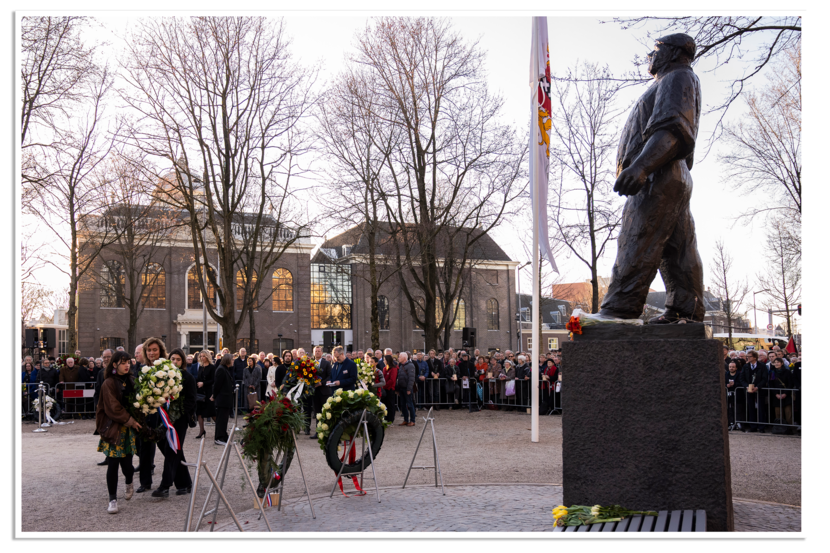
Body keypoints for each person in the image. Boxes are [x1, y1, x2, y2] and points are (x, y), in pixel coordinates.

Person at [596, 33, 704, 324]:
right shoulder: (672, 80)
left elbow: (673, 128)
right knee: (678, 248)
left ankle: (618, 311)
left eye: (656, 50)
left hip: (659, 173)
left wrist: (641, 167)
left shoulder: (677, 77)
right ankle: (685, 311)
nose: (650, 56)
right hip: (671, 174)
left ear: (674, 52)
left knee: (638, 236)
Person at [96, 350, 142, 514]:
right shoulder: (108, 383)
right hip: (113, 428)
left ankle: (129, 481)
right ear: (115, 364)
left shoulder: (132, 380)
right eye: (123, 363)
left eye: (128, 362)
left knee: (127, 465)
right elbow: (113, 407)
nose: (127, 365)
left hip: (128, 430)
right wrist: (130, 420)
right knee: (113, 464)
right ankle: (112, 499)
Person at [152, 348, 197, 498]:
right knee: (169, 447)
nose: (175, 362)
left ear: (182, 361)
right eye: (172, 359)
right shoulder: (164, 376)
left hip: (180, 419)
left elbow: (191, 399)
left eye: (178, 359)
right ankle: (185, 482)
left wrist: (179, 413)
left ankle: (165, 486)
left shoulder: (188, 377)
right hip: (165, 417)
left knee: (172, 449)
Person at [133, 337, 167, 493]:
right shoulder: (142, 368)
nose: (151, 353)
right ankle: (145, 482)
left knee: (167, 448)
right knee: (145, 449)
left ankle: (182, 479)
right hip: (146, 413)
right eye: (149, 350)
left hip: (162, 414)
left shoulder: (167, 367)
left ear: (160, 351)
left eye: (155, 350)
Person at [739, 351, 769, 433]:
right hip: (749, 390)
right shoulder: (746, 366)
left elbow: (764, 378)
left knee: (761, 409)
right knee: (751, 408)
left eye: (750, 356)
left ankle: (761, 426)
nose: (748, 358)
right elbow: (742, 378)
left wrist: (758, 387)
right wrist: (746, 386)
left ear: (755, 357)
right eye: (747, 356)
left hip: (760, 390)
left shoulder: (762, 366)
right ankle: (753, 426)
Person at [212, 353, 235, 445]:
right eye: (232, 360)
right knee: (221, 420)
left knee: (224, 420)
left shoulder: (225, 369)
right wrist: (214, 396)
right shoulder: (221, 369)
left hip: (226, 399)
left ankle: (224, 437)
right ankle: (219, 438)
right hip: (222, 399)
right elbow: (217, 385)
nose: (233, 361)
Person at [310, 346, 332, 439]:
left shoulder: (326, 363)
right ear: (313, 352)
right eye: (316, 351)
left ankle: (327, 432)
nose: (317, 352)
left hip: (324, 391)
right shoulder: (310, 363)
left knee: (325, 413)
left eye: (319, 351)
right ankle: (318, 432)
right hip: (314, 392)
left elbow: (330, 376)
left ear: (322, 353)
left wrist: (321, 383)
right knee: (317, 413)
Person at [768, 357, 793, 434]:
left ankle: (789, 429)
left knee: (788, 414)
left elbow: (790, 383)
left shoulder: (787, 372)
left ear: (782, 363)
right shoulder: (772, 372)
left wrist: (785, 393)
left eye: (778, 362)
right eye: (775, 362)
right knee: (778, 414)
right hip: (776, 395)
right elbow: (771, 384)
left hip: (786, 394)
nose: (776, 364)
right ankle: (779, 429)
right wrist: (776, 393)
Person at [194, 350, 216, 440]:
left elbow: (213, 380)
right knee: (199, 412)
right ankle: (201, 430)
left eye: (203, 356)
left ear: (207, 357)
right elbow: (198, 377)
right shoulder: (200, 367)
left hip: (208, 392)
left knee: (212, 412)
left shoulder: (212, 367)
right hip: (200, 392)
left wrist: (204, 383)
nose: (202, 358)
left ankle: (219, 429)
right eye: (201, 356)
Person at [396, 352, 416, 426]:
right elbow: (399, 378)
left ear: (404, 358)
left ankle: (412, 420)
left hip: (407, 389)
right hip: (401, 388)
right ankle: (406, 420)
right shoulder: (401, 366)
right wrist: (398, 389)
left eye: (400, 357)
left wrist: (409, 389)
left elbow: (411, 379)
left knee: (410, 404)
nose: (398, 358)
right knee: (403, 405)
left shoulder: (410, 365)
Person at [725, 361, 742, 431]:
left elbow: (741, 383)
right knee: (729, 409)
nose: (731, 368)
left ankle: (738, 423)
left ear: (736, 368)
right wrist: (726, 385)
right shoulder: (726, 374)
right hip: (728, 394)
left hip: (737, 395)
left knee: (737, 409)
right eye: (730, 367)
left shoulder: (739, 374)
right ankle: (730, 423)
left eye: (733, 367)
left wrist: (734, 384)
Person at [381, 354, 398, 423]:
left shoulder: (393, 368)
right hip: (385, 388)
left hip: (390, 389)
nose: (383, 361)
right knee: (385, 404)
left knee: (390, 404)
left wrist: (384, 385)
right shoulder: (385, 368)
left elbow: (392, 380)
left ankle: (391, 419)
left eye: (384, 360)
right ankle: (386, 418)